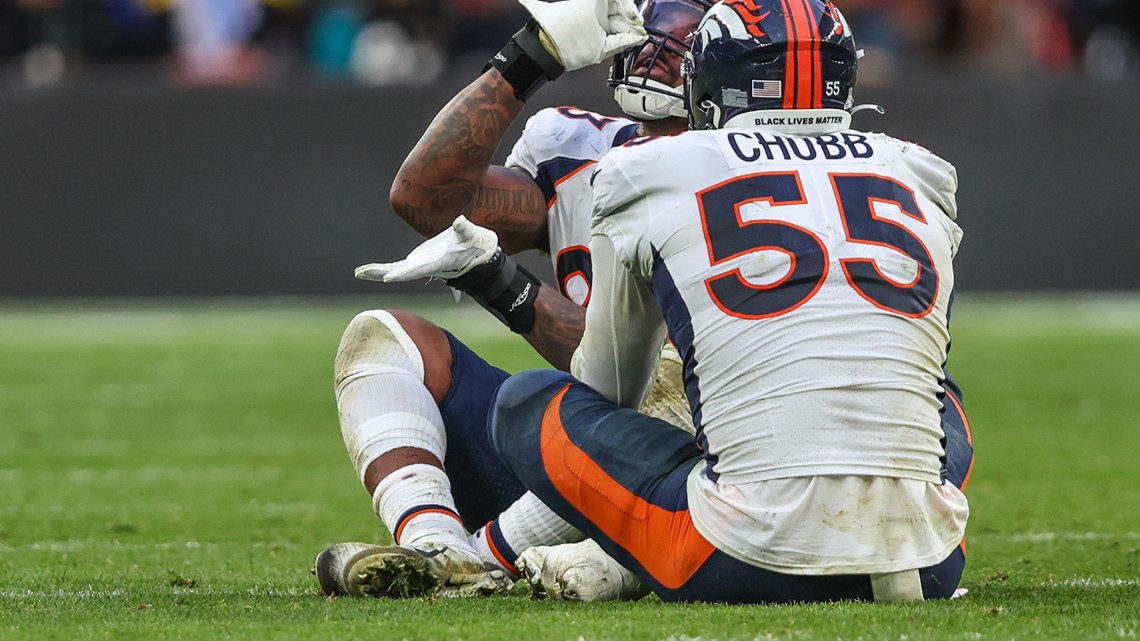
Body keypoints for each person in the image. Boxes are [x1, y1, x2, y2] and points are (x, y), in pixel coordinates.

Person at [480, 0, 975, 603]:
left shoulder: (647, 168)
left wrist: (502, 287)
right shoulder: (921, 169)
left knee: (528, 400)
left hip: (742, 557)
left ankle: (569, 554)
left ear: (711, 81)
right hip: (929, 564)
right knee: (940, 392)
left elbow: (610, 393)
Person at [313, 0, 710, 600]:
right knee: (385, 337)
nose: (662, 47)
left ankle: (472, 561)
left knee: (649, 398)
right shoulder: (580, 147)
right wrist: (526, 58)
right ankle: (433, 542)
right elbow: (425, 199)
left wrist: (503, 286)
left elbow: (661, 380)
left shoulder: (761, 185)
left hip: (693, 473)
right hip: (570, 454)